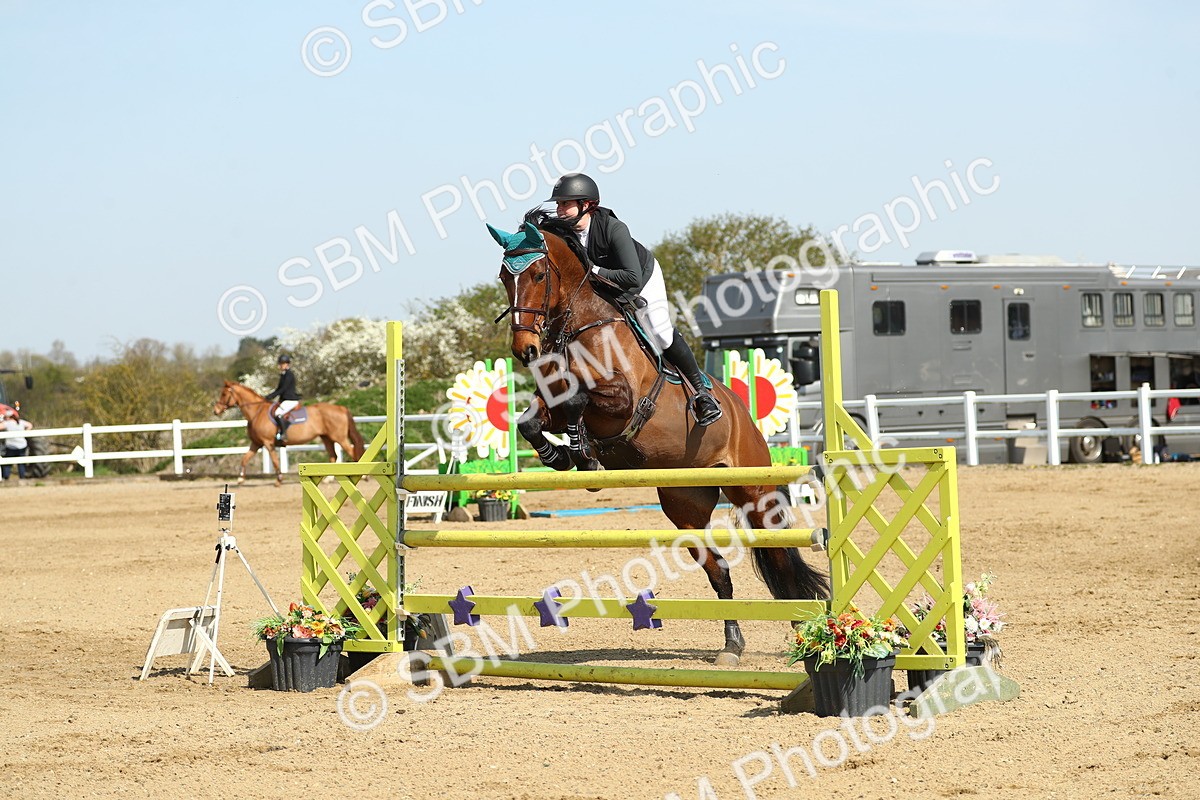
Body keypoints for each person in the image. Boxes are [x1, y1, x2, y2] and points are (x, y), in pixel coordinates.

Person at [549, 172, 722, 426]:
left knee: (660, 331)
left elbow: (631, 277)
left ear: (586, 205)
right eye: (558, 204)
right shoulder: (563, 233)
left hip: (641, 279)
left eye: (565, 203)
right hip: (602, 287)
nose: (559, 209)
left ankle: (701, 393)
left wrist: (593, 271)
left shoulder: (613, 228)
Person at [264, 354, 301, 445]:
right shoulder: (283, 375)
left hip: (290, 399)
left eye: (281, 364)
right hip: (285, 399)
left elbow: (283, 389)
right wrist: (269, 396)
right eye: (280, 364)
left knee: (278, 413)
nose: (279, 366)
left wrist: (272, 396)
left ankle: (283, 434)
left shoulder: (289, 374)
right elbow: (278, 389)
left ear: (286, 364)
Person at [1, 409, 31, 481]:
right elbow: (30, 425)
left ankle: (6, 477)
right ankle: (22, 477)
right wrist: (25, 433)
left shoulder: (7, 423)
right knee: (21, 463)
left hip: (11, 446)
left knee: (8, 463)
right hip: (22, 445)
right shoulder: (21, 422)